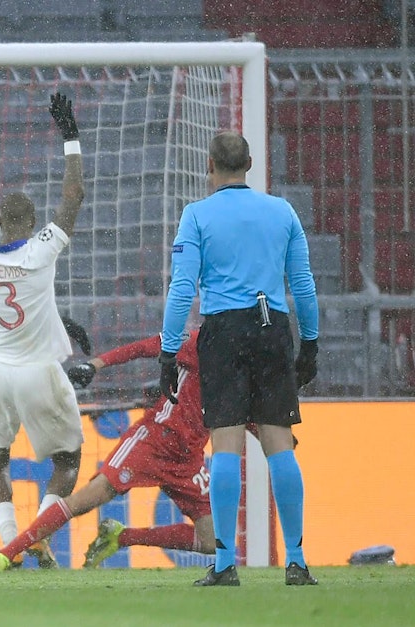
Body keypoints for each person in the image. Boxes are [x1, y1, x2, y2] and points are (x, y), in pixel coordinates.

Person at [163, 132, 320, 587]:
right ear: (249, 163)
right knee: (279, 442)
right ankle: (296, 561)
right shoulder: (282, 211)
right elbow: (303, 284)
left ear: (209, 165)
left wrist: (168, 349)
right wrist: (309, 341)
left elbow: (181, 290)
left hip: (224, 332)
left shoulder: (196, 215)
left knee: (225, 443)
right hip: (271, 327)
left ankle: (226, 563)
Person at [0, 93, 87, 569]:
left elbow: (21, 302)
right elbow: (74, 196)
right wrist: (71, 138)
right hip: (39, 371)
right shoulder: (41, 252)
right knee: (67, 462)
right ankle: (37, 538)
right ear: (35, 225)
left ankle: (8, 544)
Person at [0, 334, 213, 571]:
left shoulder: (244, 367)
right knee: (87, 499)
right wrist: (94, 364)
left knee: (214, 539)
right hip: (154, 441)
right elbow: (143, 347)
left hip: (189, 460)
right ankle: (7, 555)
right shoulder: (200, 342)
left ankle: (121, 537)